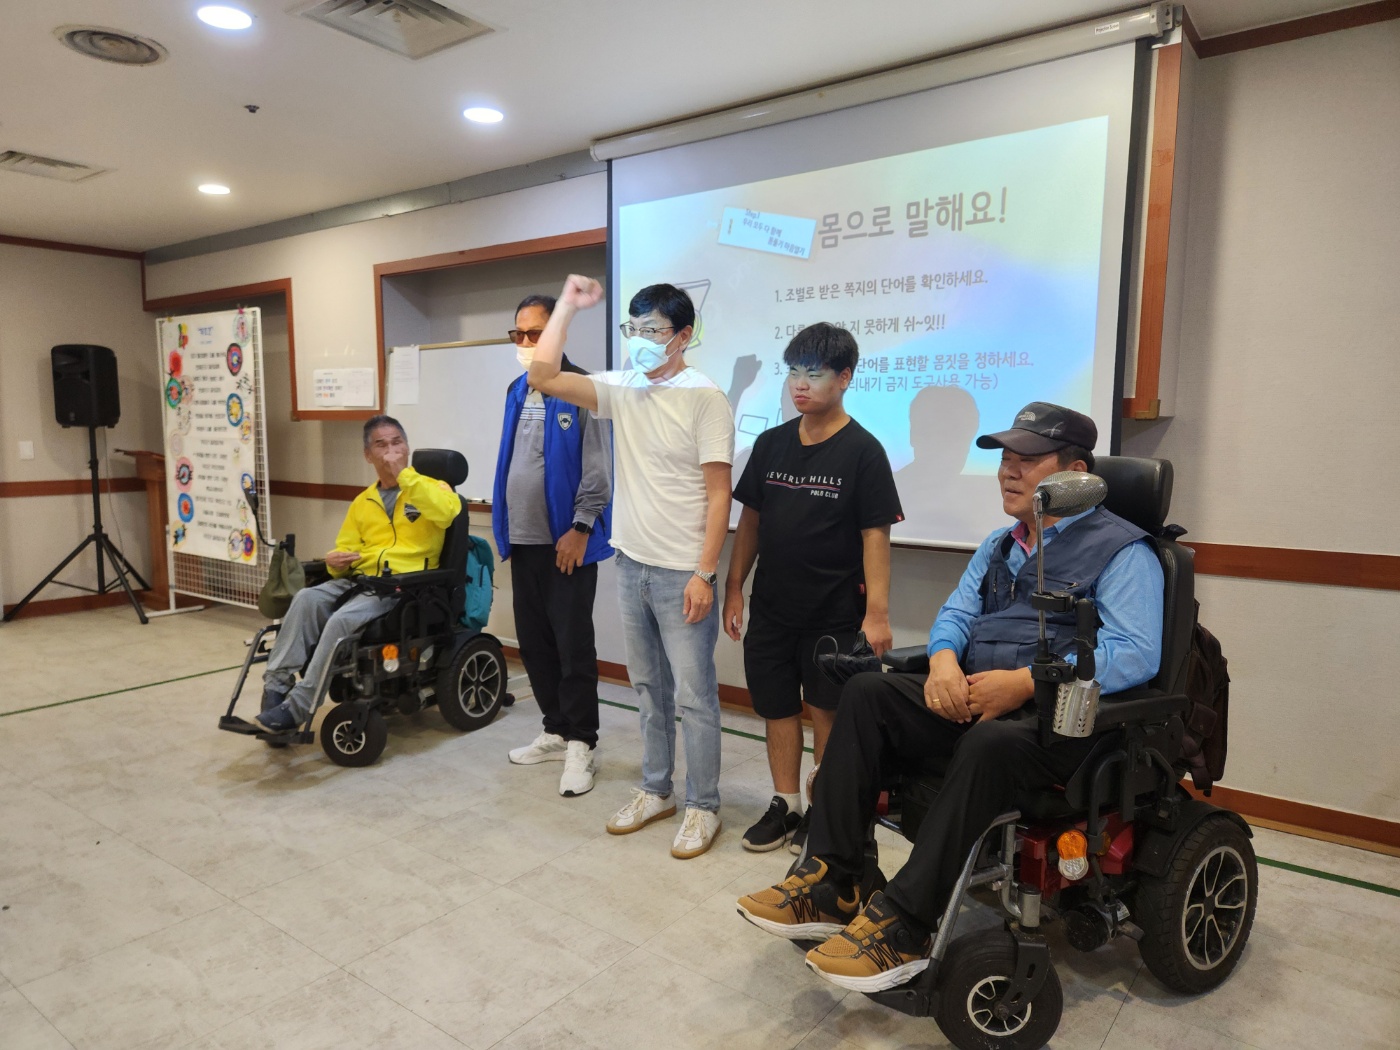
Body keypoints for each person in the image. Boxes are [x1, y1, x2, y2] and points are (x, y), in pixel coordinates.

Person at [736, 401, 1164, 992]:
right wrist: (941, 663)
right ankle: (835, 881)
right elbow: (958, 615)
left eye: (1028, 460)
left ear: (1075, 472)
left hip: (1060, 726)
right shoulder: (1001, 545)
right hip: (977, 698)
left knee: (990, 743)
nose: (1008, 471)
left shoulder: (1123, 551)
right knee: (866, 691)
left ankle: (906, 925)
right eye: (1005, 459)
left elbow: (1137, 652)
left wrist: (1025, 683)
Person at [527, 274, 734, 859]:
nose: (640, 341)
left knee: (694, 696)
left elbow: (720, 494)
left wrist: (706, 573)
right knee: (647, 689)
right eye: (633, 329)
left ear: (684, 336)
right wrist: (566, 306)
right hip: (632, 562)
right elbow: (542, 376)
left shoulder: (704, 396)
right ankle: (657, 789)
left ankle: (703, 805)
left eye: (653, 331)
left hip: (683, 571)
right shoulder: (623, 387)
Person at [723, 323, 902, 854]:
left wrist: (877, 615)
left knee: (826, 712)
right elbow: (750, 522)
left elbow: (875, 537)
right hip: (772, 608)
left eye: (815, 373)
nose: (800, 384)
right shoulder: (771, 443)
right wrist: (734, 587)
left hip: (834, 614)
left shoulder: (864, 451)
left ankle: (822, 809)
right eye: (794, 371)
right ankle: (786, 804)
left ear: (844, 378)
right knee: (777, 708)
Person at [254, 416, 461, 731]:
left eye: (397, 442)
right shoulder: (363, 501)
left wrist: (405, 476)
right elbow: (346, 548)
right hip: (362, 579)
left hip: (405, 587)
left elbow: (446, 514)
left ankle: (299, 707)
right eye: (381, 444)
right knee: (306, 598)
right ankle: (276, 687)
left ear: (407, 447)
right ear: (368, 455)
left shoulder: (434, 488)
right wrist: (336, 562)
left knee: (341, 620)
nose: (390, 450)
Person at [494, 293, 614, 797]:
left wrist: (581, 526)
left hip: (567, 542)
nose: (525, 342)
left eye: (536, 333)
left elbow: (599, 468)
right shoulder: (516, 389)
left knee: (572, 646)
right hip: (524, 540)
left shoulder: (584, 389)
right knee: (535, 643)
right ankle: (555, 728)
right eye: (518, 334)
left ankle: (582, 742)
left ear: (558, 334)